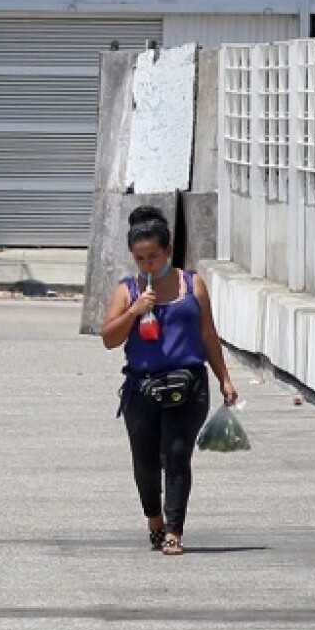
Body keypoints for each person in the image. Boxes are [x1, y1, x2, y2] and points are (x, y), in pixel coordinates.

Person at [101, 205, 238, 556]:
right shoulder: (128, 290)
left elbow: (208, 335)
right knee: (146, 461)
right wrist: (134, 311)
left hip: (187, 384)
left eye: (153, 256)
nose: (148, 265)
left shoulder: (191, 284)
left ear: (168, 250)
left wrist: (224, 378)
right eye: (140, 258)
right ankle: (155, 521)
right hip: (142, 388)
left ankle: (175, 530)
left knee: (177, 455)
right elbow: (109, 338)